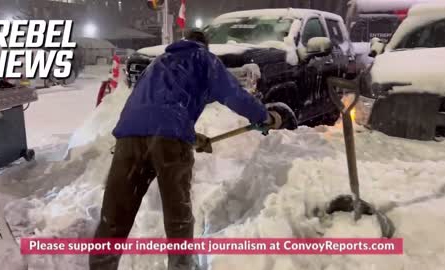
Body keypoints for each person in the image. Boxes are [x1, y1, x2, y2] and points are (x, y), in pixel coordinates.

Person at [89, 30, 293, 270]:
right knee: (178, 218)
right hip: (169, 141)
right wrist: (264, 116)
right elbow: (233, 94)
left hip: (129, 139)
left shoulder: (159, 62)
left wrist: (193, 138)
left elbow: (156, 108)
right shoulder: (202, 58)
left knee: (114, 217)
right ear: (203, 46)